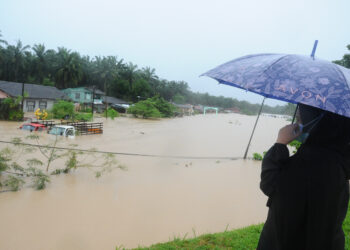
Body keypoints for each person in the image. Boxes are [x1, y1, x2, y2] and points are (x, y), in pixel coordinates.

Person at [257, 103, 350, 250]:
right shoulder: (341, 165)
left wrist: (280, 143)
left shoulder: (305, 163)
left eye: (301, 119)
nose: (297, 123)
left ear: (317, 124)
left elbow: (269, 183)